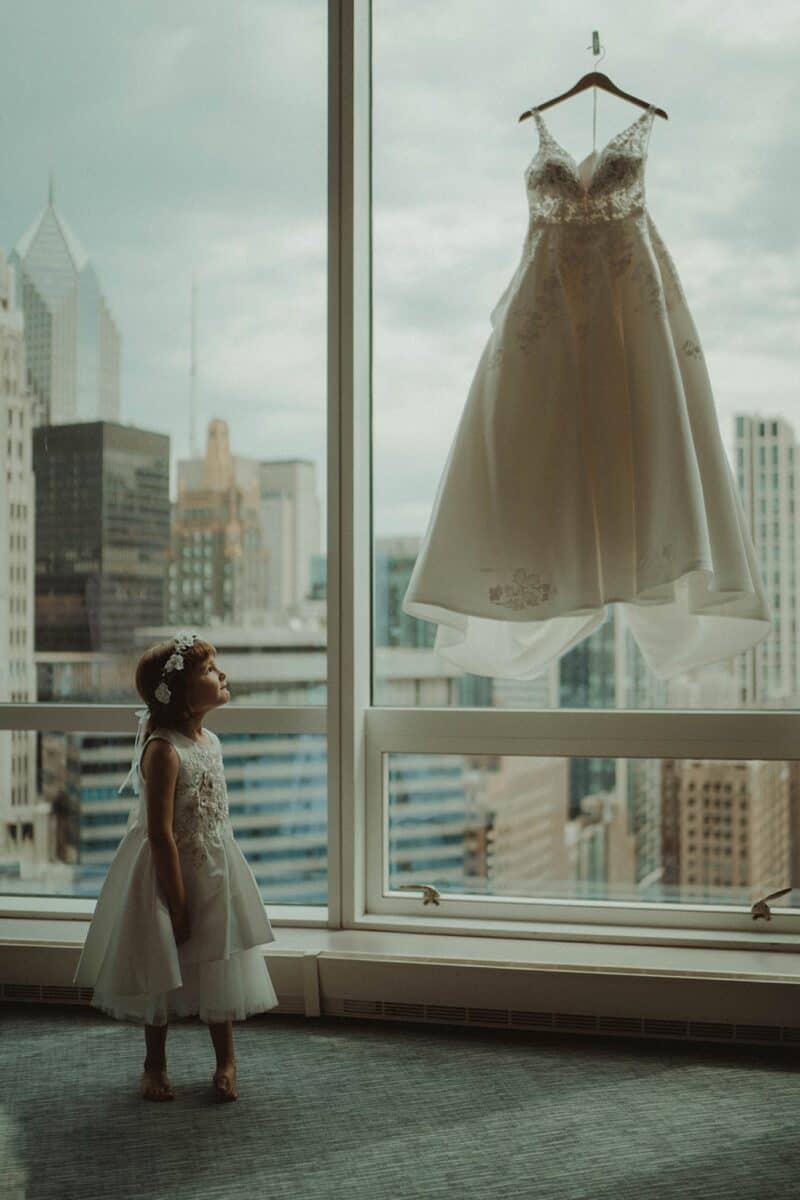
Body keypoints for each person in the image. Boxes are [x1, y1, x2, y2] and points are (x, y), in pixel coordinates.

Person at [72, 630, 278, 1103]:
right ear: (182, 695)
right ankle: (155, 1061)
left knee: (217, 960)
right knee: (161, 966)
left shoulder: (212, 742)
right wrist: (178, 901)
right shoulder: (163, 751)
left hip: (213, 866)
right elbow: (160, 833)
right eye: (209, 670)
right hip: (169, 871)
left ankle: (226, 1060)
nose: (221, 674)